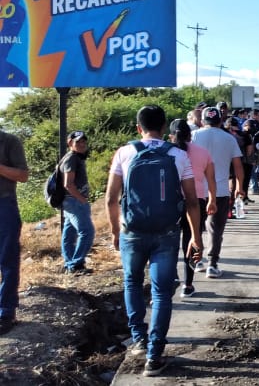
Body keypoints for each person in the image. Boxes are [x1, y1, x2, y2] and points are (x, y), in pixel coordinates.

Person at [105, 105, 203, 376]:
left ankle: (139, 340)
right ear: (163, 129)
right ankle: (154, 355)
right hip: (167, 233)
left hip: (132, 232)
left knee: (132, 282)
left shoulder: (124, 153)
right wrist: (195, 237)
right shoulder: (178, 155)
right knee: (162, 292)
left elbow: (111, 198)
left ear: (139, 128)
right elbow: (192, 201)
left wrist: (115, 231)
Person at [191, 107, 244, 278]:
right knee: (216, 229)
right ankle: (212, 265)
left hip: (196, 189)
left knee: (195, 227)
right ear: (220, 120)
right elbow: (238, 165)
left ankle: (197, 261)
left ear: (202, 121)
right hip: (220, 191)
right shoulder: (229, 138)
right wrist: (239, 186)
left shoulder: (194, 136)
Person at [168, 119, 217, 298]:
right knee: (191, 241)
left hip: (171, 203)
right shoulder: (203, 153)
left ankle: (172, 277)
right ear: (190, 135)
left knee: (170, 242)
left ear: (171, 136)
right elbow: (211, 179)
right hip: (197, 202)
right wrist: (212, 199)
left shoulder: (167, 152)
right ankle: (187, 285)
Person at [0, 127, 28, 335]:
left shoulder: (9, 141)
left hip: (4, 205)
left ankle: (5, 313)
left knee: (7, 261)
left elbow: (22, 175)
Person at [59, 131, 95, 275]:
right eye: (78, 142)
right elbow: (68, 184)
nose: (81, 144)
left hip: (71, 201)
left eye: (83, 142)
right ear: (70, 143)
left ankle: (70, 264)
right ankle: (76, 264)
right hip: (73, 201)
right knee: (87, 231)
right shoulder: (71, 159)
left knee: (69, 233)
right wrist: (81, 199)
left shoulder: (75, 158)